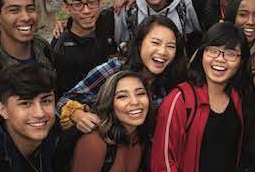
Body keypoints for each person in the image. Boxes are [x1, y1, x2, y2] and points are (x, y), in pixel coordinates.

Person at [151, 22, 249, 172]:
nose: (220, 59)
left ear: (240, 61)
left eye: (230, 54)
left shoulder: (237, 98)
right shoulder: (180, 100)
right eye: (213, 50)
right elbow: (163, 161)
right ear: (202, 54)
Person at [57, 15, 186, 133]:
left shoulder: (173, 83)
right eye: (155, 43)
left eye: (170, 46)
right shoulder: (114, 70)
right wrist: (77, 115)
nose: (163, 52)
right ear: (139, 44)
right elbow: (62, 102)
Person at [52, 0, 118, 98]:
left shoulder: (109, 20)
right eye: (77, 5)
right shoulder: (61, 50)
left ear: (100, 2)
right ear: (66, 8)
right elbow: (67, 96)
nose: (86, 10)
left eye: (91, 2)